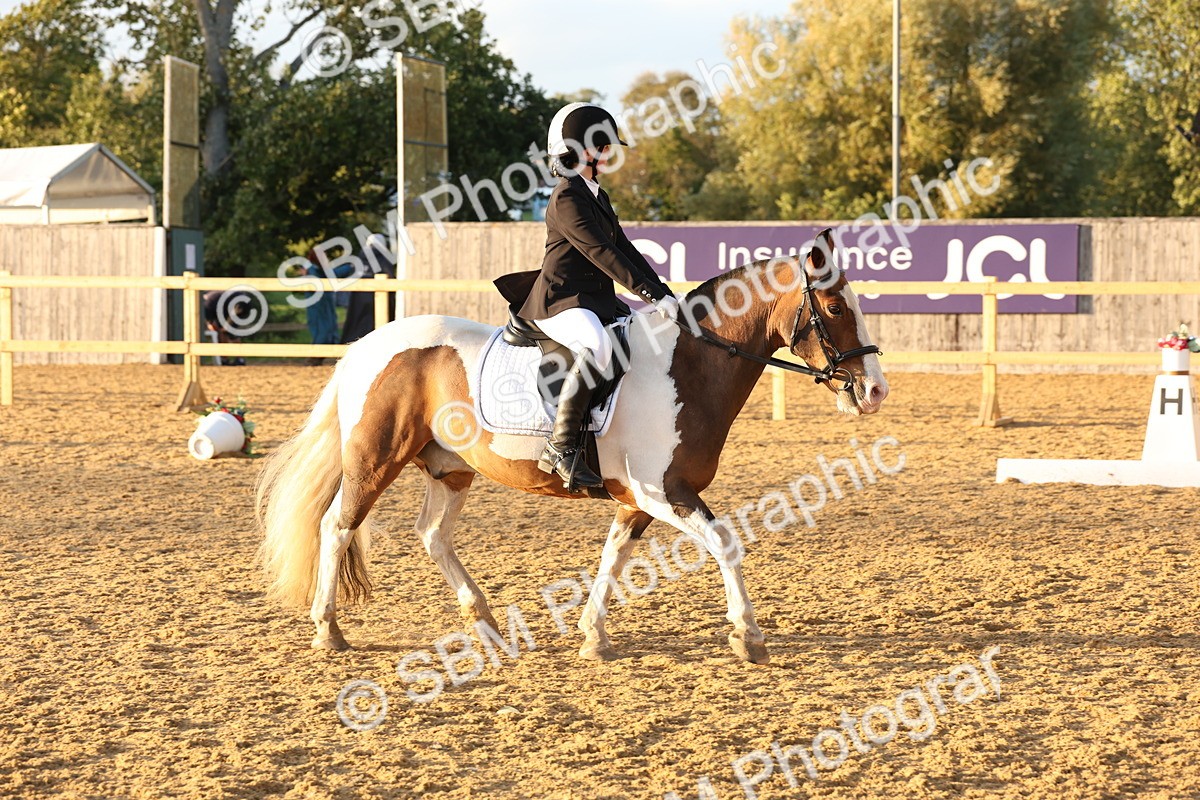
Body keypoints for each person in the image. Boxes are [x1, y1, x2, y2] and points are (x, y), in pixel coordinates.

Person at [495, 102, 680, 490]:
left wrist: (663, 293)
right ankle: (561, 448)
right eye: (605, 144)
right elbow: (601, 252)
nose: (611, 152)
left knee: (635, 339)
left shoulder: (597, 196)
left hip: (592, 301)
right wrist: (647, 292)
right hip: (559, 301)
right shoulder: (567, 198)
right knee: (597, 345)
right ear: (584, 148)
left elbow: (625, 249)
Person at [301, 248, 356, 366]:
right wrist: (349, 267)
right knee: (321, 329)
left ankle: (319, 356)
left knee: (327, 328)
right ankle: (315, 357)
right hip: (318, 305)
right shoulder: (313, 270)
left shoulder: (315, 269)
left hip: (323, 304)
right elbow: (334, 274)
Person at [341, 233, 396, 345]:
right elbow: (389, 275)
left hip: (358, 297)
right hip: (379, 297)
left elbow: (353, 275)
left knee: (358, 322)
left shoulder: (360, 256)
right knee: (379, 323)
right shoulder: (384, 257)